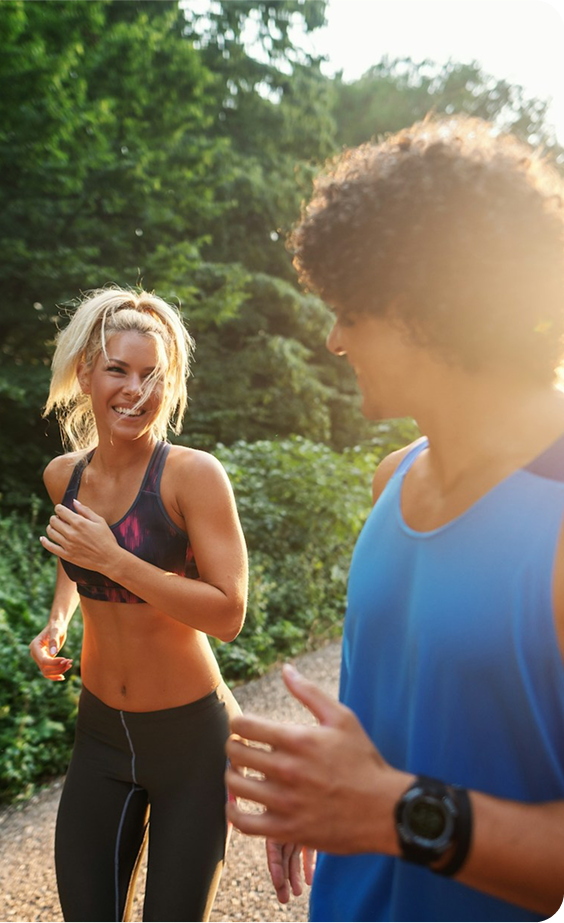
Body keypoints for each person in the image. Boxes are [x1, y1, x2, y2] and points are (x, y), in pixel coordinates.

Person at [225, 114, 564, 922]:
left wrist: (388, 809)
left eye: (349, 311)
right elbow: (403, 718)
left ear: (420, 311)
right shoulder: (392, 480)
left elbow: (390, 800)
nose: (334, 341)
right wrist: (330, 790)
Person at [29, 287, 248, 923]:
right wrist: (57, 620)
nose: (136, 390)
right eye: (118, 370)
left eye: (152, 374)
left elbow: (228, 614)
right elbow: (73, 554)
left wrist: (115, 559)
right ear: (85, 375)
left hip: (191, 741)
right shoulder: (64, 476)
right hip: (100, 734)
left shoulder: (191, 476)